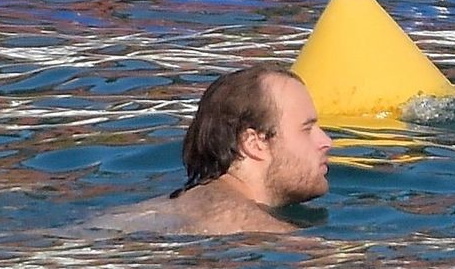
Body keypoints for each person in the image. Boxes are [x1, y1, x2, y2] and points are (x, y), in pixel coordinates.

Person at [93, 63, 333, 235]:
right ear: (254, 143)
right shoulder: (252, 228)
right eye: (306, 129)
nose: (326, 141)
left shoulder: (177, 206)